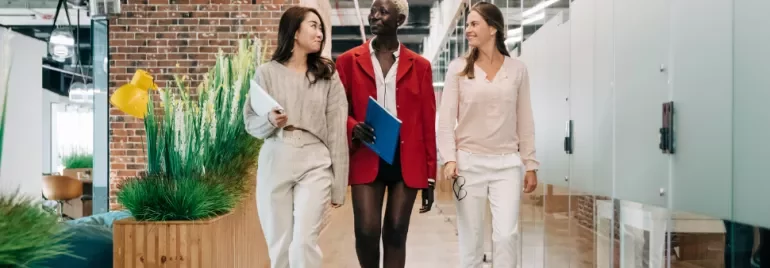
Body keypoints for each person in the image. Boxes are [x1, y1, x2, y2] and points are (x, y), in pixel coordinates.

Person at [242, 6, 348, 268]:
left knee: (303, 242)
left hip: (315, 160)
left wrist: (339, 183)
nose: (320, 32)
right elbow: (249, 123)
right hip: (276, 156)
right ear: (294, 31)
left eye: (321, 27)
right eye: (313, 26)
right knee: (279, 246)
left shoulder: (328, 75)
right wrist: (269, 121)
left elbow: (336, 131)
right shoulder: (266, 73)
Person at [436, 2, 539, 267]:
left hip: (507, 165)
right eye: (467, 25)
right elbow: (445, 120)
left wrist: (530, 163)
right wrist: (449, 158)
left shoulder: (518, 70)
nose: (467, 30)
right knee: (471, 240)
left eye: (474, 24)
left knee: (506, 236)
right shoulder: (458, 69)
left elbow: (525, 120)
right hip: (468, 165)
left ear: (493, 29)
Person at [334, 0, 437, 266]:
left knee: (395, 233)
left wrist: (430, 176)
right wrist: (351, 126)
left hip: (406, 160)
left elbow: (427, 122)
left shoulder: (421, 66)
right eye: (373, 11)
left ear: (399, 20)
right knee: (366, 231)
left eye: (383, 12)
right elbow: (335, 109)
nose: (374, 16)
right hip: (367, 153)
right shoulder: (347, 61)